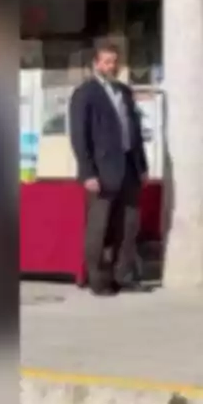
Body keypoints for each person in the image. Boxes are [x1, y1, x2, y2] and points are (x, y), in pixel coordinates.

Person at [68, 37, 147, 296]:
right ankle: (98, 279)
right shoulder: (85, 93)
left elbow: (134, 130)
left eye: (114, 62)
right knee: (99, 227)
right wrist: (87, 172)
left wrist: (142, 164)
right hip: (101, 171)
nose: (111, 66)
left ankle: (122, 275)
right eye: (106, 62)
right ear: (95, 64)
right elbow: (79, 136)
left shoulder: (123, 92)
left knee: (129, 224)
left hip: (129, 167)